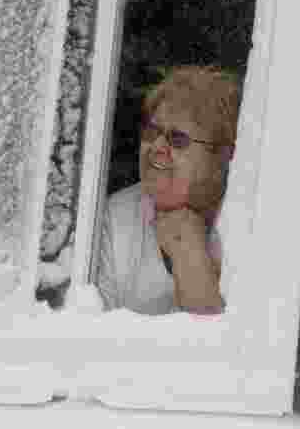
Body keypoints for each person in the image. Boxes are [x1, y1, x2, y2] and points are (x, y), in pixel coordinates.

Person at [97, 66, 237, 315]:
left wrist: (189, 255)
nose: (157, 147)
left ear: (222, 156)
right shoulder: (113, 217)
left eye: (178, 139)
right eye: (152, 132)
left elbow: (230, 350)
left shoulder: (249, 225)